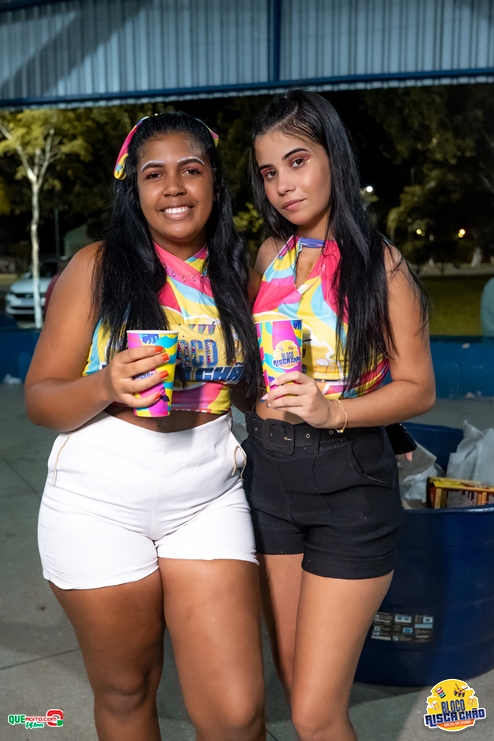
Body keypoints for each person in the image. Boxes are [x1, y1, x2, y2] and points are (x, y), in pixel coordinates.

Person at [25, 112, 265, 741]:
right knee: (128, 689)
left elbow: (257, 390)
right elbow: (41, 399)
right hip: (97, 503)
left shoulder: (240, 273)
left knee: (237, 713)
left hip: (207, 495)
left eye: (191, 170)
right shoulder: (98, 267)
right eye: (153, 174)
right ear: (134, 190)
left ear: (215, 182)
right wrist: (106, 384)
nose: (174, 187)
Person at [244, 90, 435, 741]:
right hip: (269, 483)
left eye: (297, 161)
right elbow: (254, 363)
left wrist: (333, 410)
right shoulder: (269, 256)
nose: (283, 185)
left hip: (350, 488)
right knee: (293, 679)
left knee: (314, 713)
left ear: (334, 157)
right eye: (269, 171)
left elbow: (419, 388)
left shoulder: (382, 265)